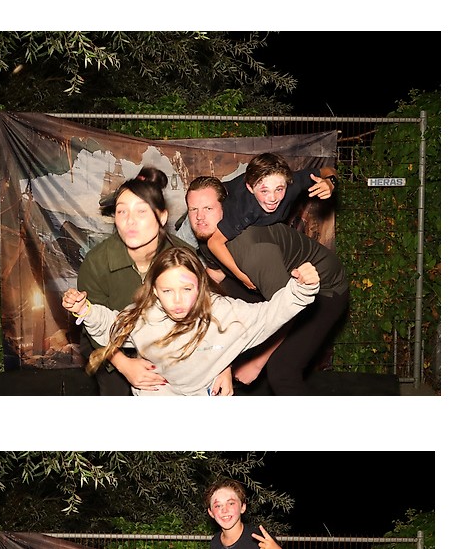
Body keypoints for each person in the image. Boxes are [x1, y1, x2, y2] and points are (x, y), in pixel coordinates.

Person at [63, 241, 320, 398]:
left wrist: (301, 288)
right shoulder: (145, 315)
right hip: (160, 390)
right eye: (167, 291)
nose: (178, 300)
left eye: (187, 289)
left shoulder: (223, 312)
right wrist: (85, 309)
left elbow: (269, 314)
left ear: (200, 287)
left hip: (205, 392)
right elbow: (110, 325)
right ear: (155, 291)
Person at [179, 176, 349, 395]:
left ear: (225, 209)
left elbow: (290, 308)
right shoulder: (210, 236)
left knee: (281, 371)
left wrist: (257, 362)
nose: (199, 217)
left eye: (208, 208)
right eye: (193, 209)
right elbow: (214, 277)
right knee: (223, 310)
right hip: (279, 282)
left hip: (324, 291)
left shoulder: (252, 251)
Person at [73, 168, 173, 395]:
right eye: (121, 211)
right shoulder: (97, 262)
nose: (130, 221)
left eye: (141, 211)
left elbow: (208, 315)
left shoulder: (183, 258)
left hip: (169, 346)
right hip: (111, 347)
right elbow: (93, 324)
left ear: (162, 217)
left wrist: (221, 366)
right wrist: (124, 365)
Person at [195, 152, 337, 290]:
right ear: (250, 188)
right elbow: (214, 243)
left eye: (279, 189)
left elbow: (329, 170)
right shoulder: (244, 209)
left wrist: (330, 183)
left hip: (247, 225)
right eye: (264, 191)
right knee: (215, 263)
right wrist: (242, 276)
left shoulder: (292, 184)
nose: (272, 198)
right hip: (208, 220)